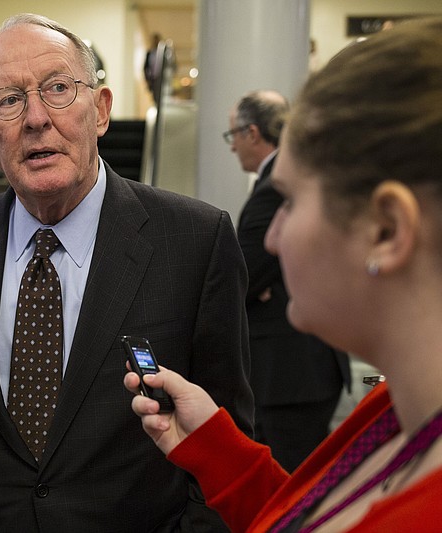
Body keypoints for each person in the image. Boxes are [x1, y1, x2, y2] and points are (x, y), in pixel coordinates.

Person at [0, 12, 253, 532]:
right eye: (9, 100)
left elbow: (228, 436)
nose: (36, 118)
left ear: (101, 111)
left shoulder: (195, 240)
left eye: (58, 88)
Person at [126, 17, 442, 532]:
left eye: (290, 203)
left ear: (387, 230)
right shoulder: (394, 407)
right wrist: (218, 449)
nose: (273, 240)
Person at [225, 89, 350, 472]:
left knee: (289, 487)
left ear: (253, 132)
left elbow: (243, 274)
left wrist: (255, 284)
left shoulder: (276, 186)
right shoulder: (291, 177)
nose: (231, 148)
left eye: (232, 136)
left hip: (290, 370)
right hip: (305, 366)